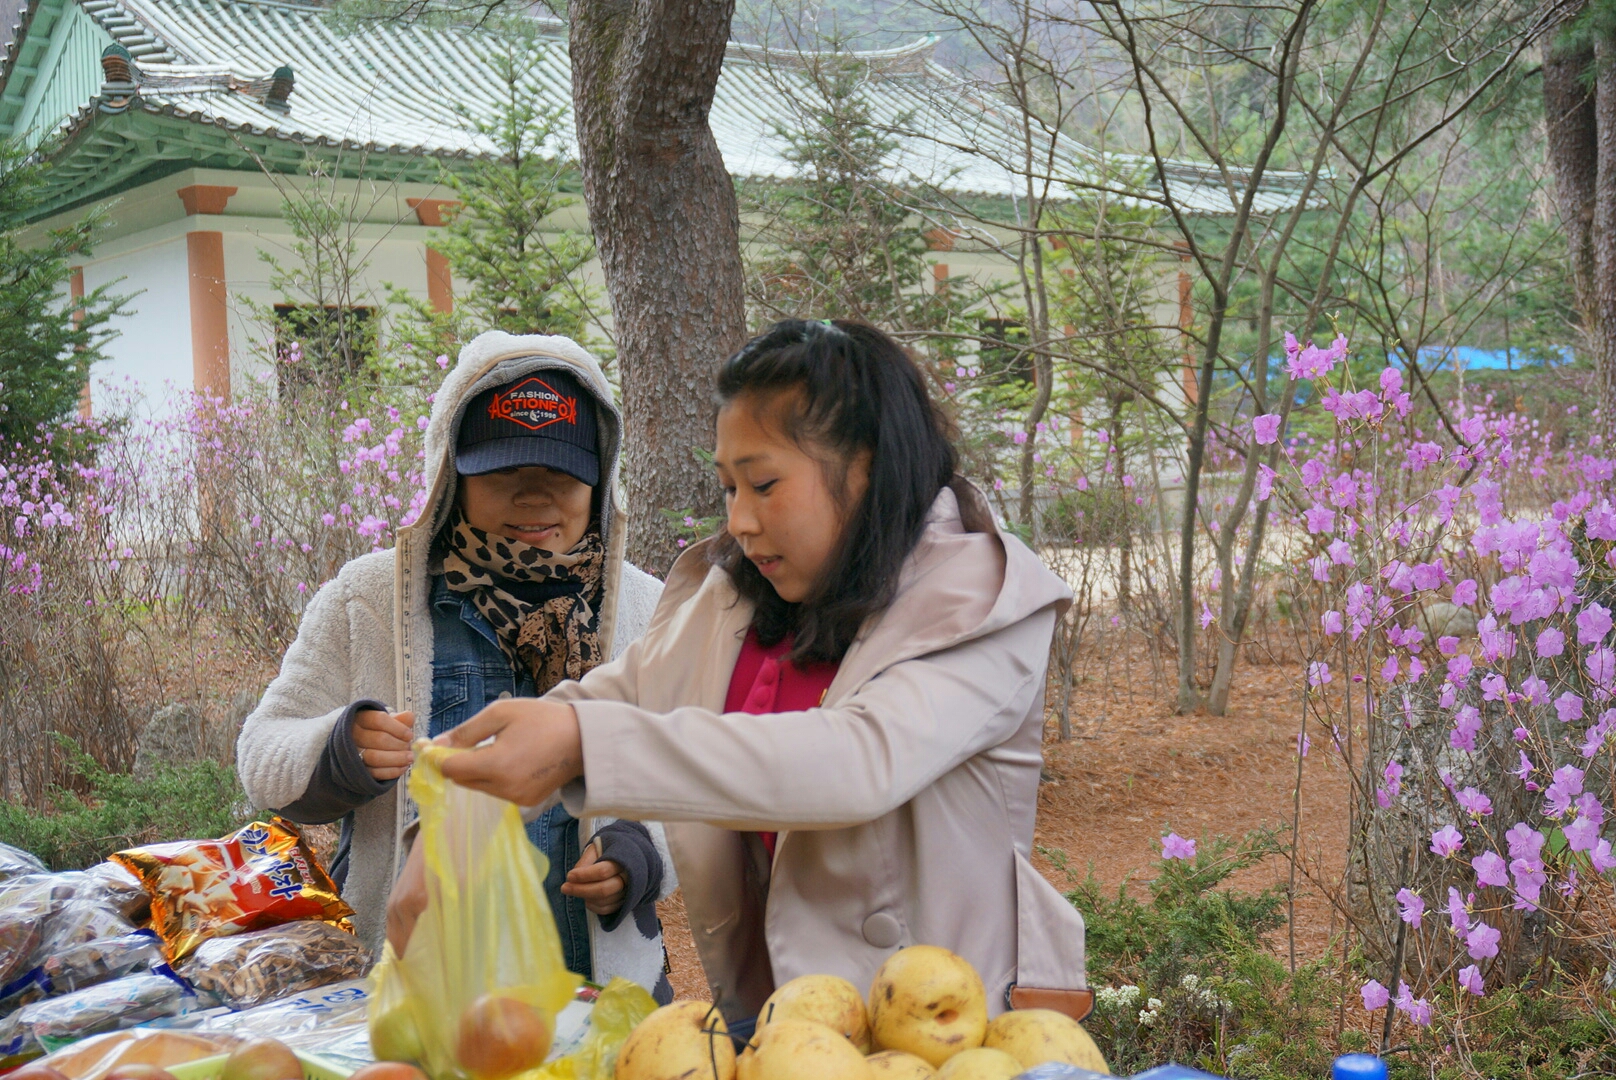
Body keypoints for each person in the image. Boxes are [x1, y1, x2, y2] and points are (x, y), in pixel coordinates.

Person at [388, 319, 1091, 1030]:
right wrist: (459, 811)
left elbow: (857, 760)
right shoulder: (744, 592)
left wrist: (580, 743)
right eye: (728, 488)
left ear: (867, 466)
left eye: (764, 484)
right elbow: (620, 692)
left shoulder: (985, 597)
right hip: (782, 1026)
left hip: (945, 1032)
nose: (742, 521)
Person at [237, 331, 676, 1001]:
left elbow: (696, 781)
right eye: (505, 473)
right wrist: (338, 747)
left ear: (600, 474)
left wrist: (637, 856)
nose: (536, 499)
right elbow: (261, 754)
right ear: (451, 473)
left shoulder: (648, 608)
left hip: (597, 998)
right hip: (408, 996)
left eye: (560, 473)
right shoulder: (368, 599)